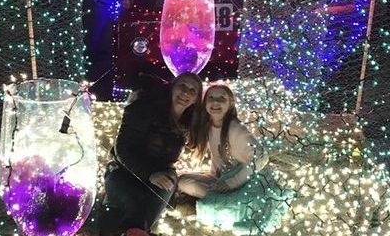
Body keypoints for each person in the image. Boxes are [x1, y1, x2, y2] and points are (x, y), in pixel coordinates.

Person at [178, 84, 288, 235]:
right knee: (184, 181)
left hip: (243, 181)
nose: (215, 102)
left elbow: (261, 156)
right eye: (211, 98)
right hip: (220, 178)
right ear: (204, 103)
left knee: (195, 188)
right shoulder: (209, 125)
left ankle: (227, 204)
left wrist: (232, 183)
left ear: (230, 104)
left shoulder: (235, 128)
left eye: (221, 98)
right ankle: (219, 200)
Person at [101, 72, 202, 236]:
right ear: (172, 87)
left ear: (196, 99)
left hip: (163, 174)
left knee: (159, 191)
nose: (185, 92)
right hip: (123, 172)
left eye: (192, 90)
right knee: (136, 203)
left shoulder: (190, 123)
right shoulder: (144, 108)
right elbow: (123, 149)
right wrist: (149, 174)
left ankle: (133, 231)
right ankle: (139, 230)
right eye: (182, 86)